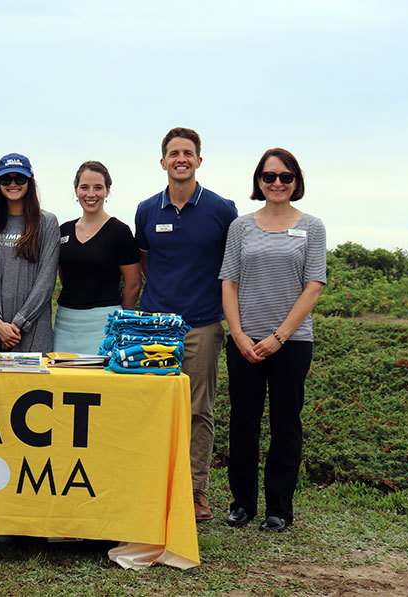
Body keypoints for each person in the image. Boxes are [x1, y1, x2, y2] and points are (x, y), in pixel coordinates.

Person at [134, 128, 238, 521]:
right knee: (152, 408)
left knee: (198, 411)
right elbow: (146, 263)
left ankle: (194, 492)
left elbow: (233, 267)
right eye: (174, 153)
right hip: (155, 327)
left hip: (203, 326)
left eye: (188, 153)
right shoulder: (146, 209)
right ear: (162, 162)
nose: (181, 158)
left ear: (199, 160)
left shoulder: (221, 209)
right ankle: (151, 483)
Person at [220, 148, 326, 532]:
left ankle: (279, 509)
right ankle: (242, 505)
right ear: (258, 181)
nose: (277, 183)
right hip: (244, 342)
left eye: (285, 177)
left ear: (296, 181)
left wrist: (280, 337)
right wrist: (239, 334)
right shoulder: (241, 227)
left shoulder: (312, 226)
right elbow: (228, 282)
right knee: (243, 422)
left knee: (286, 423)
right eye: (269, 177)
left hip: (292, 343)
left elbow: (313, 286)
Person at [0, 153, 60, 353]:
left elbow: (46, 281)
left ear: (30, 182)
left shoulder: (47, 223)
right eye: (6, 179)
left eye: (19, 178)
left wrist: (18, 324)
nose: (13, 184)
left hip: (32, 333)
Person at [54, 161, 140, 354]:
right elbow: (64, 276)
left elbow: (133, 285)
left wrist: (117, 322)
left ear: (108, 191)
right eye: (84, 187)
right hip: (64, 324)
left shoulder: (120, 231)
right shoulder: (63, 230)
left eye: (98, 188)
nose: (91, 194)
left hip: (104, 324)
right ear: (76, 190)